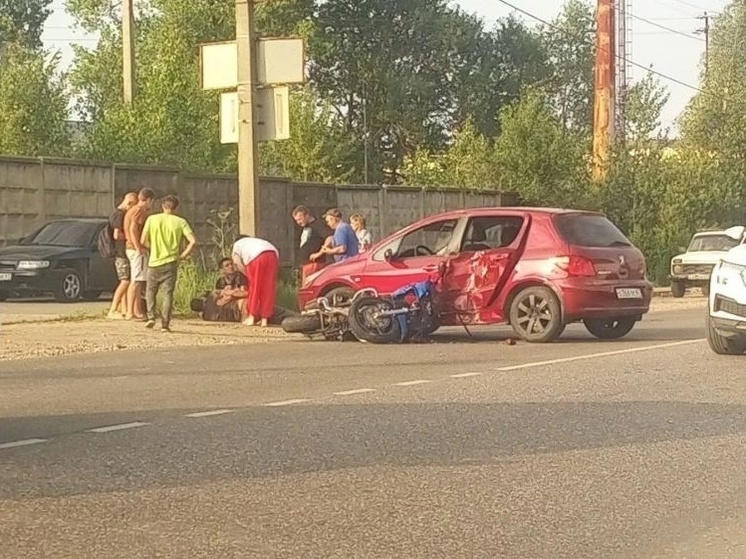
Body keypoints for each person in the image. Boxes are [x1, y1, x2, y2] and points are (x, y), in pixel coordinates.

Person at [140, 194, 197, 331]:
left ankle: (151, 316)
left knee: (150, 291)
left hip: (154, 261)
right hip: (171, 261)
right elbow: (193, 241)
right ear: (176, 208)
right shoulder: (180, 222)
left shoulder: (152, 219)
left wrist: (151, 247)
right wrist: (183, 255)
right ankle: (165, 324)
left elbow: (142, 241)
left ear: (162, 206)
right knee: (167, 293)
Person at [190, 259, 295, 324]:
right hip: (247, 305)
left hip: (244, 313)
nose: (231, 266)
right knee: (281, 314)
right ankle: (302, 318)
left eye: (231, 264)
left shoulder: (207, 316)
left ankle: (300, 320)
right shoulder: (215, 293)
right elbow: (243, 293)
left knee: (279, 318)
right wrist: (231, 293)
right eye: (227, 265)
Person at [231, 235, 280, 327]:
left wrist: (246, 273)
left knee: (255, 287)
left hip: (256, 258)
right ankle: (265, 319)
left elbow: (237, 263)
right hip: (272, 254)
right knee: (268, 288)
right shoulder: (256, 241)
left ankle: (252, 316)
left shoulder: (236, 245)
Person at [124, 188, 155, 320]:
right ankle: (130, 312)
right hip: (135, 249)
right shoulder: (139, 211)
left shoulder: (132, 210)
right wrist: (138, 247)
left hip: (132, 248)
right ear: (148, 199)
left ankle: (136, 311)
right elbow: (133, 229)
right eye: (151, 202)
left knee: (139, 280)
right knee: (136, 280)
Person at [106, 192, 138, 319]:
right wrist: (130, 237)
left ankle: (123, 309)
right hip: (120, 253)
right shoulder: (118, 215)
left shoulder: (119, 213)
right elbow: (116, 234)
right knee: (125, 281)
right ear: (129, 203)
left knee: (126, 280)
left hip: (122, 253)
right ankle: (113, 310)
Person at [291, 205, 333, 282]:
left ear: (307, 215)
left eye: (300, 219)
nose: (298, 222)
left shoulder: (318, 225)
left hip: (316, 263)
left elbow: (329, 238)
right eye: (296, 220)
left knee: (311, 286)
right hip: (306, 264)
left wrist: (320, 253)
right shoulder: (305, 227)